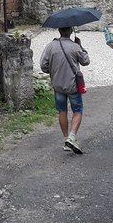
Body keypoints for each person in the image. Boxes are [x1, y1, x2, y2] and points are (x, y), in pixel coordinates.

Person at [40, 26, 90, 154]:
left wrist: (54, 71)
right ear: (71, 31)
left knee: (62, 111)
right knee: (77, 110)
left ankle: (66, 139)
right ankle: (71, 137)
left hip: (58, 85)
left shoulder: (50, 46)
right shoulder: (75, 46)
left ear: (59, 31)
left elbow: (43, 65)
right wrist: (80, 46)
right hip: (73, 86)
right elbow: (86, 61)